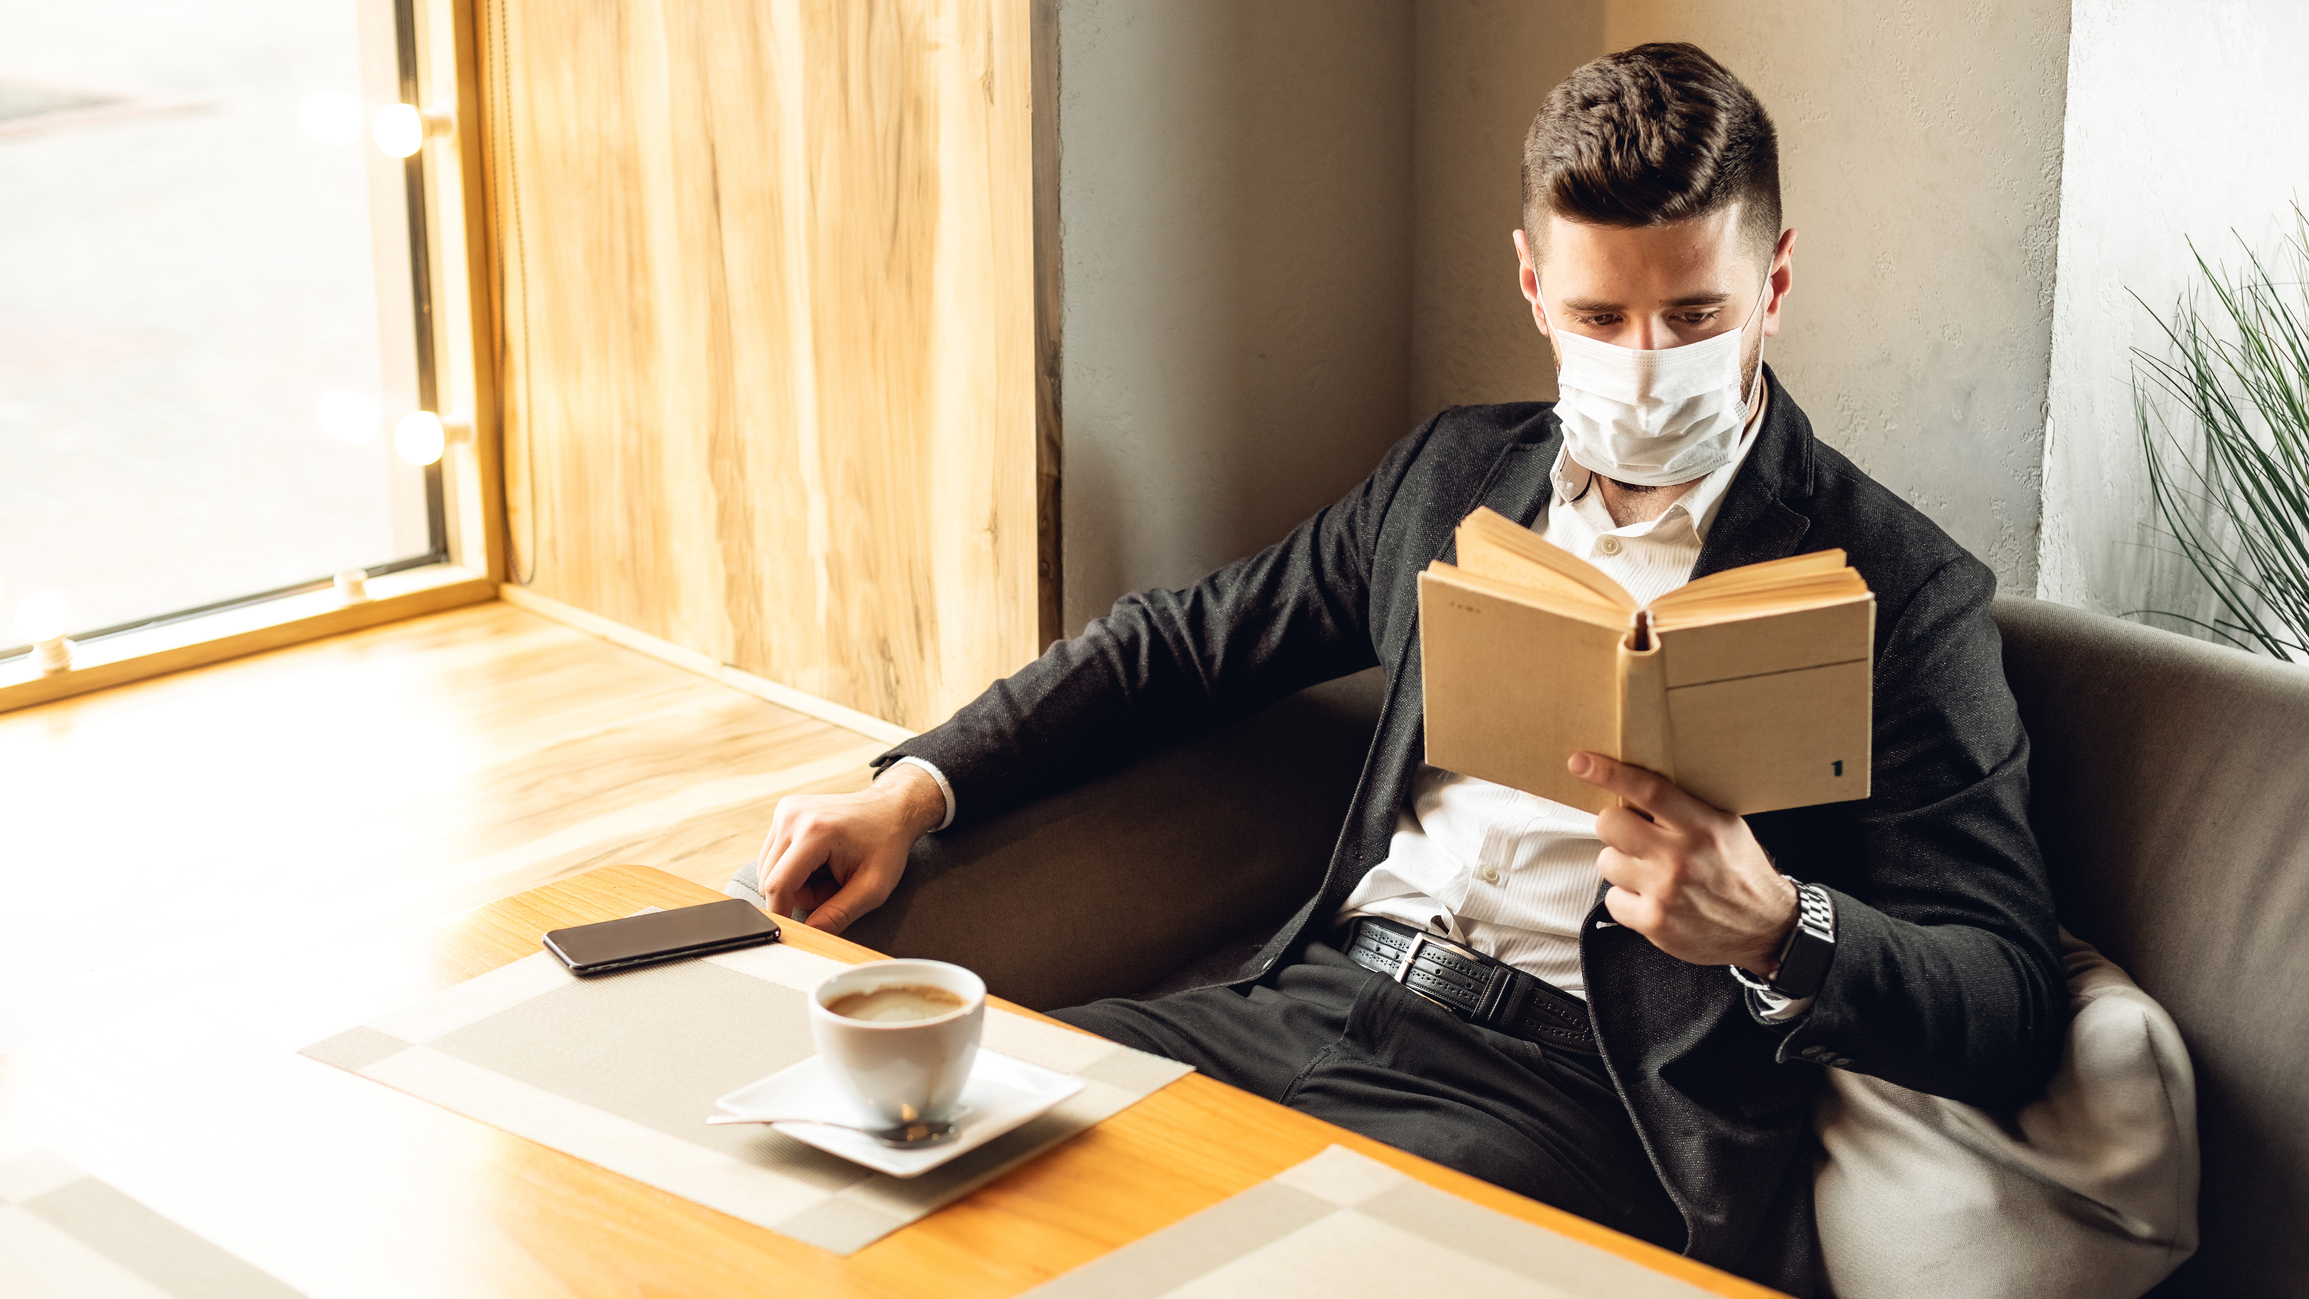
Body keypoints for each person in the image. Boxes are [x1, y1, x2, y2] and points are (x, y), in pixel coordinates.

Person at [731, 42, 2066, 1296]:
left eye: (1695, 313)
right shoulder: (1450, 476)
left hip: (1575, 1104)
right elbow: (1184, 645)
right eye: (1600, 315)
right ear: (1532, 288)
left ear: (1772, 284)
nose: (1645, 368)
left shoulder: (1901, 589)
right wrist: (912, 787)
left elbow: (2005, 999)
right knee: (912, 1163)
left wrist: (1780, 927)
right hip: (1312, 998)